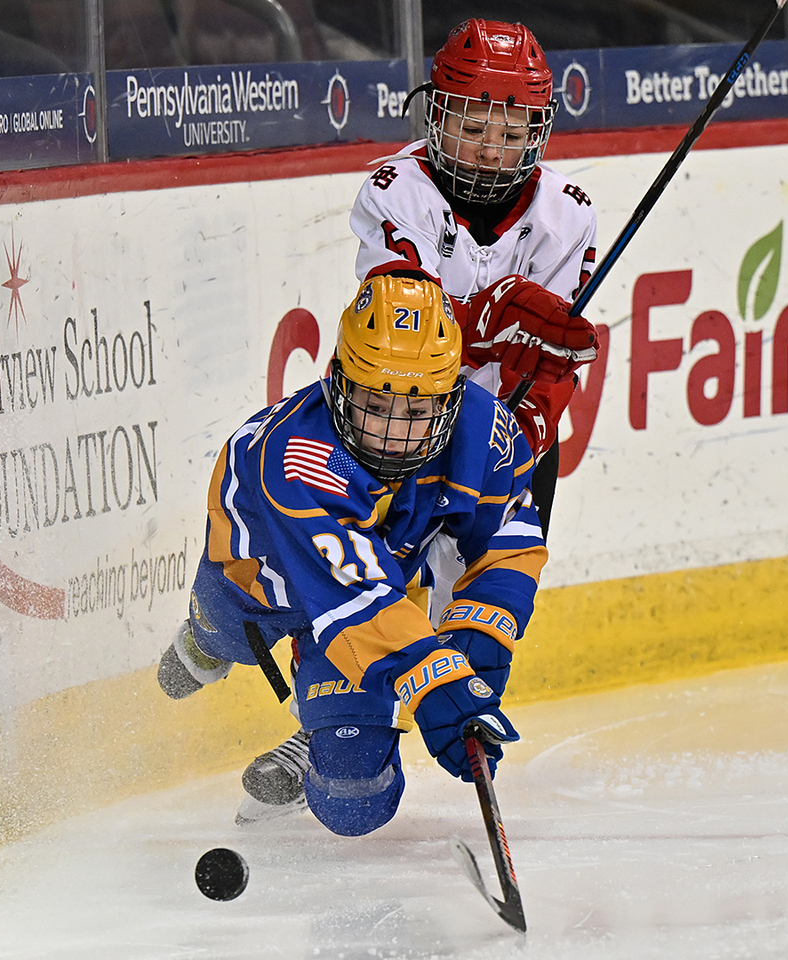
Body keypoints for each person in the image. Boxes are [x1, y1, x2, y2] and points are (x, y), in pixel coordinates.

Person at [234, 18, 601, 820]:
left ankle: (449, 710)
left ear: (539, 131)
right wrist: (495, 310)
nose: (490, 149)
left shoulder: (570, 215)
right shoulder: (394, 191)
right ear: (436, 115)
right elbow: (410, 322)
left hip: (493, 441)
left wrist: (526, 431)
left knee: (478, 594)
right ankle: (328, 723)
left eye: (511, 131)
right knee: (361, 572)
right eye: (472, 125)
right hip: (390, 422)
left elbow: (552, 365)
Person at [157, 274, 546, 835]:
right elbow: (355, 599)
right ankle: (203, 644)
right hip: (261, 585)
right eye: (376, 405)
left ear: (450, 399)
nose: (393, 434)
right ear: (339, 383)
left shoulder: (482, 432)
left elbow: (508, 538)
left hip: (370, 594)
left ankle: (315, 734)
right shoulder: (299, 458)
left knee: (356, 802)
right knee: (222, 636)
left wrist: (480, 637)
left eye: (416, 412)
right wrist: (438, 681)